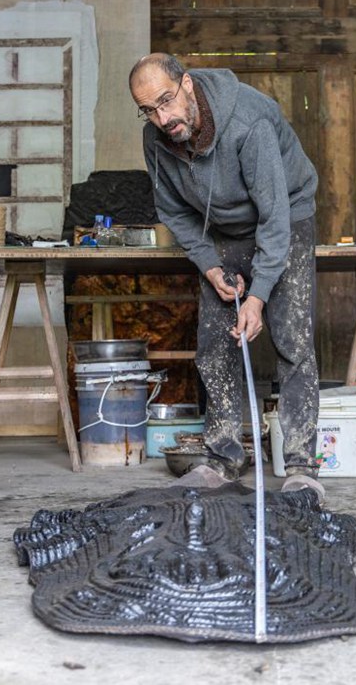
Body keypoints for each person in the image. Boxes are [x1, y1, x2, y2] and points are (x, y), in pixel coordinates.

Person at [129, 53, 324, 501]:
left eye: (166, 101)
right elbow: (172, 211)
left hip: (284, 216)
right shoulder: (156, 137)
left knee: (291, 338)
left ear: (188, 85)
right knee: (215, 344)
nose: (163, 118)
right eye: (149, 110)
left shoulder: (247, 121)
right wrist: (211, 266)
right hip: (219, 229)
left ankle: (299, 464)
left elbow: (274, 217)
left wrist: (257, 297)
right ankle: (222, 458)